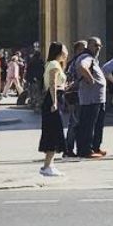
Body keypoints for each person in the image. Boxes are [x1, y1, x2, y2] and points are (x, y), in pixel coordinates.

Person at [38, 42, 66, 177]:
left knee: (54, 131)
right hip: (53, 100)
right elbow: (52, 84)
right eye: (64, 50)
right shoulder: (54, 64)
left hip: (55, 97)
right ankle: (47, 165)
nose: (66, 53)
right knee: (54, 132)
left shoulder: (52, 64)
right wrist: (54, 102)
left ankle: (50, 164)